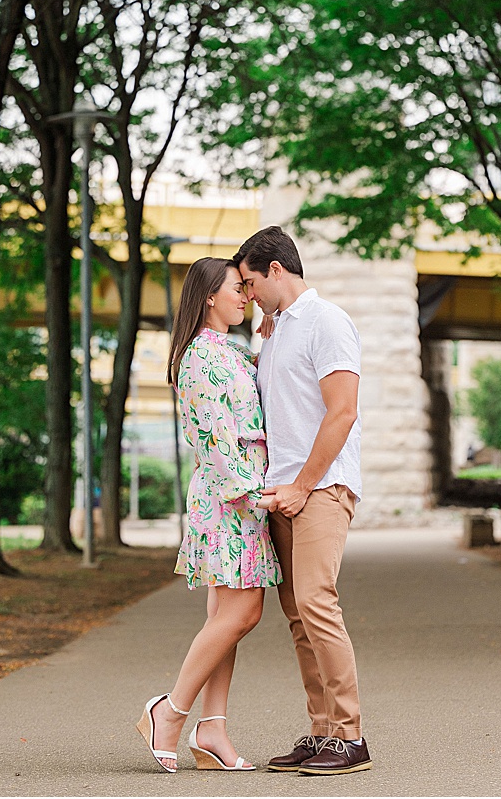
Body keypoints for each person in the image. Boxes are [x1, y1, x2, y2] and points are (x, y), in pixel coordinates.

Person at [234, 226, 371, 776]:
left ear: (274, 270)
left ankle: (351, 734)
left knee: (317, 602)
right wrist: (280, 488)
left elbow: (342, 412)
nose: (245, 296)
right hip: (283, 491)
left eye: (248, 283)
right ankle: (322, 732)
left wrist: (302, 486)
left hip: (320, 487)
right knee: (297, 616)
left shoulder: (327, 321)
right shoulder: (272, 334)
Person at [135, 257, 280, 773]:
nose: (246, 296)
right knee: (242, 614)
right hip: (230, 502)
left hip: (243, 500)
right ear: (208, 297)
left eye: (247, 288)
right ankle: (169, 713)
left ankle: (212, 728)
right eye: (237, 289)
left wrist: (269, 332)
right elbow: (214, 438)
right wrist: (250, 495)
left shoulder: (232, 353)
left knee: (228, 619)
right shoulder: (201, 356)